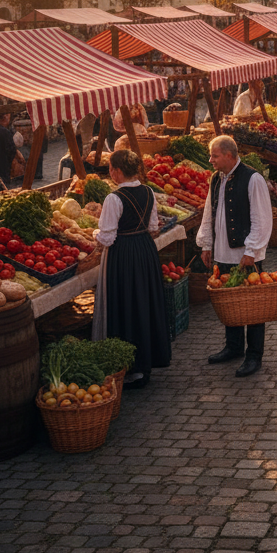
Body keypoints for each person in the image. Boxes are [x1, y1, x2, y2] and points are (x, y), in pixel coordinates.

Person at [94, 149, 172, 390]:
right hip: (145, 251)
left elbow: (107, 238)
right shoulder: (148, 192)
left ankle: (131, 367)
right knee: (144, 303)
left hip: (124, 255)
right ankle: (145, 362)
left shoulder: (114, 198)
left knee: (126, 305)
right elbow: (153, 227)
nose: (110, 173)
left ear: (117, 171)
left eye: (111, 169)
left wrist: (95, 233)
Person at [198, 135, 274, 377]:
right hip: (222, 253)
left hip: (245, 254)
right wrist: (206, 244)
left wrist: (251, 251)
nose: (211, 160)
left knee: (252, 306)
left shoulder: (253, 179)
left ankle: (254, 355)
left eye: (215, 156)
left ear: (229, 155)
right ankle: (233, 347)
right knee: (230, 304)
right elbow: (209, 212)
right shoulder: (216, 178)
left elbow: (262, 219)